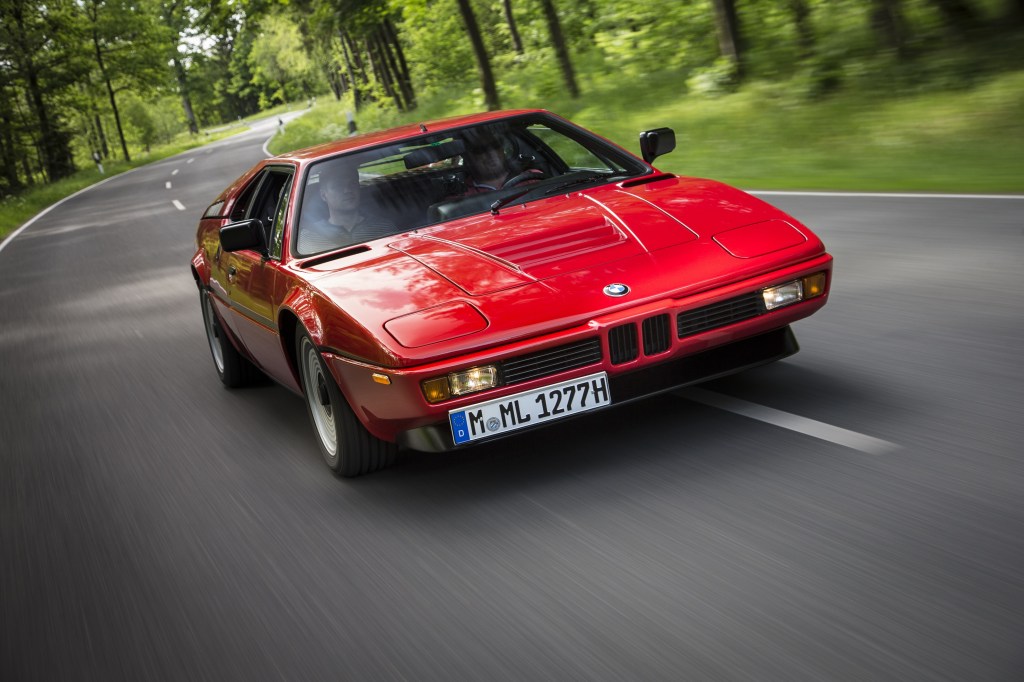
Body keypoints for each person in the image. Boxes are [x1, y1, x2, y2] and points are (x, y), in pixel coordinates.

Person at [297, 159, 395, 255]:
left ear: (358, 187)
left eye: (352, 184)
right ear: (323, 195)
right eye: (338, 186)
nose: (347, 190)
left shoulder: (384, 228)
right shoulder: (310, 236)